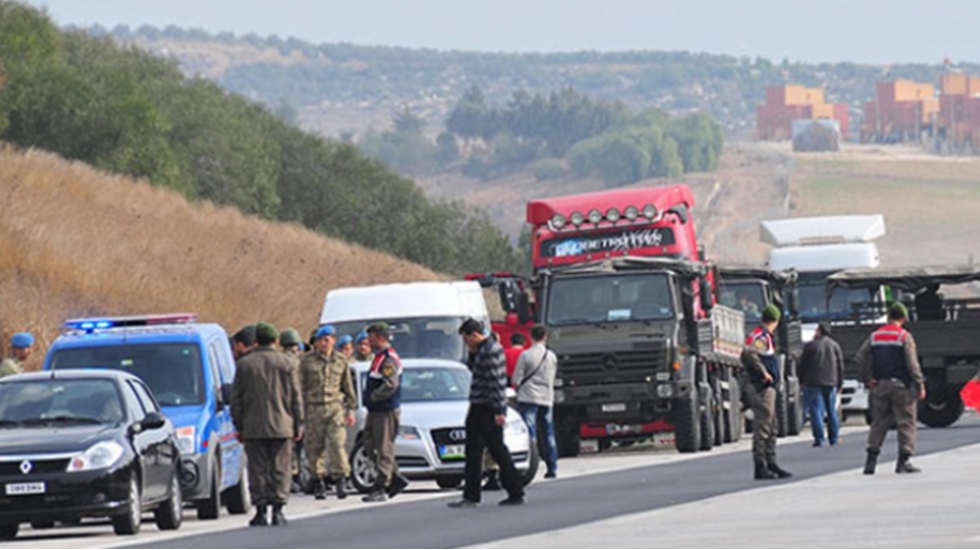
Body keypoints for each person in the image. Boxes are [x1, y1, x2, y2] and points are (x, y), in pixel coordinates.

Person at [231, 322, 304, 527]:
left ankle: (261, 511)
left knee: (258, 469)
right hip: (283, 425)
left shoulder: (245, 365)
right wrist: (299, 425)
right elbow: (296, 398)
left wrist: (239, 426)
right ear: (275, 341)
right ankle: (279, 510)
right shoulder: (287, 363)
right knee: (281, 467)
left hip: (253, 427)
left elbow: (236, 400)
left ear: (255, 341)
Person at [448, 319, 526, 508]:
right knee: (496, 450)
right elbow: (475, 370)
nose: (466, 344)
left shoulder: (490, 351)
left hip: (485, 407)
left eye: (467, 340)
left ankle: (472, 495)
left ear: (474, 335)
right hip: (484, 405)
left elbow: (496, 383)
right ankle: (515, 491)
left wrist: (499, 410)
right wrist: (473, 355)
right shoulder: (486, 349)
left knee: (476, 451)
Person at [857, 303, 926, 475]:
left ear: (888, 316)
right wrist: (919, 384)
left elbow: (860, 357)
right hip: (901, 386)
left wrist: (868, 379)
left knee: (879, 422)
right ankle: (903, 462)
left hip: (880, 385)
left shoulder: (874, 336)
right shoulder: (904, 337)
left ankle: (870, 461)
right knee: (906, 422)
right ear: (903, 318)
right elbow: (912, 364)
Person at [299, 325, 358, 500]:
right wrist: (300, 413)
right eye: (320, 340)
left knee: (337, 444)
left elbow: (348, 387)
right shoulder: (306, 361)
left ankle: (340, 479)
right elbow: (300, 387)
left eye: (327, 339)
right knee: (314, 448)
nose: (324, 343)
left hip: (334, 408)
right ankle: (318, 481)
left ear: (333, 340)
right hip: (313, 408)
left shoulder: (341, 361)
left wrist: (351, 410)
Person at [741, 305, 792, 480]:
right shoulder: (761, 337)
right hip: (760, 386)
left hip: (766, 387)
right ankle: (760, 465)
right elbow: (750, 354)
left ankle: (771, 462)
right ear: (775, 321)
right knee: (763, 425)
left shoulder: (762, 336)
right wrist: (764, 372)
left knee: (772, 425)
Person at [362, 323, 410, 503]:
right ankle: (395, 477)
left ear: (379, 337)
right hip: (375, 410)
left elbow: (390, 384)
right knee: (369, 444)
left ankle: (382, 485)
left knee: (383, 447)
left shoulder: (389, 359)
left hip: (385, 409)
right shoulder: (378, 358)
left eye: (371, 337)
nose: (369, 341)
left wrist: (374, 397)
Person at [512, 324, 559, 479]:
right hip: (546, 397)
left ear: (530, 337)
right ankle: (552, 466)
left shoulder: (526, 355)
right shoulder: (551, 356)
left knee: (530, 432)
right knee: (548, 432)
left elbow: (517, 378)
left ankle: (532, 463)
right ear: (545, 337)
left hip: (528, 396)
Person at [798, 322, 845, 447]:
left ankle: (819, 439)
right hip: (831, 382)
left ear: (819, 331)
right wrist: (840, 383)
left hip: (814, 382)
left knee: (816, 410)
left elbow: (802, 365)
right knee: (831, 411)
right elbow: (840, 366)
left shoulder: (810, 346)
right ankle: (834, 438)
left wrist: (801, 380)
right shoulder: (835, 345)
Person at [278, 327, 305, 494]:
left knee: (288, 447)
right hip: (298, 406)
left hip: (282, 408)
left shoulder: (279, 361)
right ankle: (296, 477)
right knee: (298, 444)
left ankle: (290, 478)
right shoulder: (299, 363)